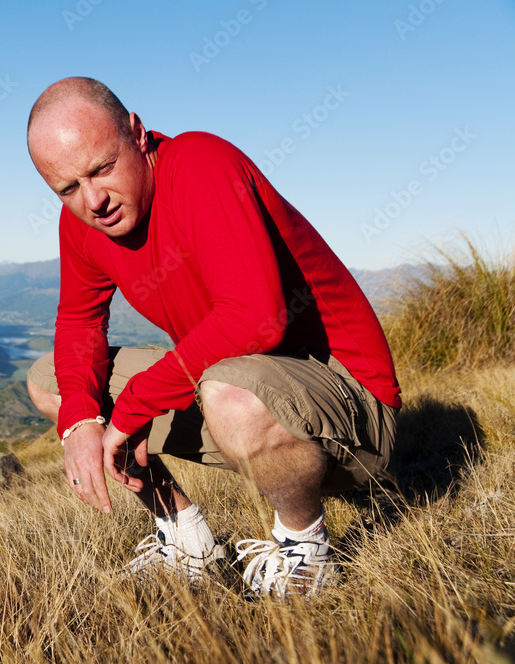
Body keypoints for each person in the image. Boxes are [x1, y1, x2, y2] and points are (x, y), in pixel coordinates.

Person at [24, 77, 401, 598]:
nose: (93, 199)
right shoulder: (84, 224)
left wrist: (133, 406)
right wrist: (80, 424)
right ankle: (186, 540)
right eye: (67, 189)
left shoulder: (201, 164)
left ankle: (304, 553)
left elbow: (255, 319)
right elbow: (79, 325)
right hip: (238, 384)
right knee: (53, 385)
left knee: (231, 391)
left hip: (353, 414)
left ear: (137, 133)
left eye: (102, 168)